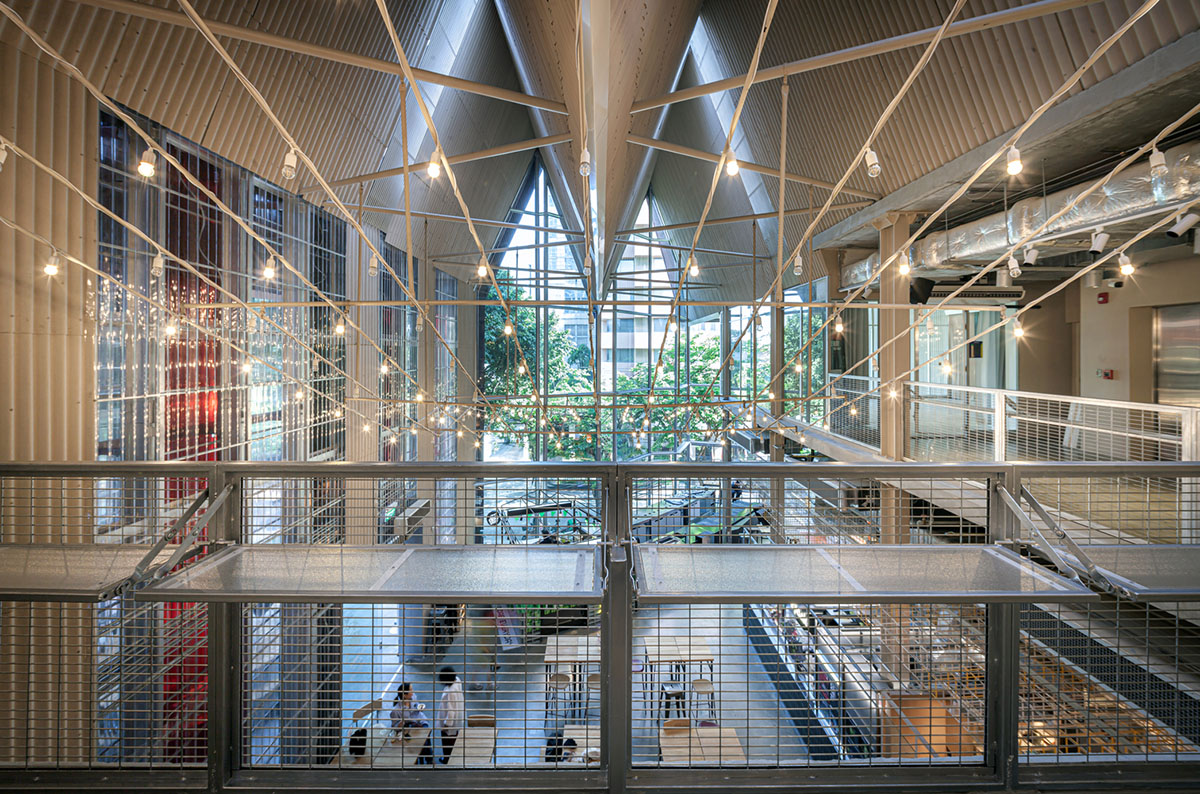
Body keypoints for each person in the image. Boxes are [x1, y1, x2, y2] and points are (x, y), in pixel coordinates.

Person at [389, 682, 433, 764]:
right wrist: (400, 724)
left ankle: (428, 757)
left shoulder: (413, 696)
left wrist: (420, 707)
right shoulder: (396, 710)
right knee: (422, 741)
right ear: (404, 695)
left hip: (420, 720)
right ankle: (425, 757)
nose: (413, 691)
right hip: (409, 727)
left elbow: (417, 705)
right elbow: (394, 726)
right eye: (411, 690)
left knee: (426, 735)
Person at [436, 667, 464, 765]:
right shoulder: (457, 680)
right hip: (459, 715)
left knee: (447, 741)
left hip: (450, 721)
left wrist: (446, 725)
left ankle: (447, 760)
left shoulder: (451, 691)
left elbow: (451, 711)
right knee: (455, 737)